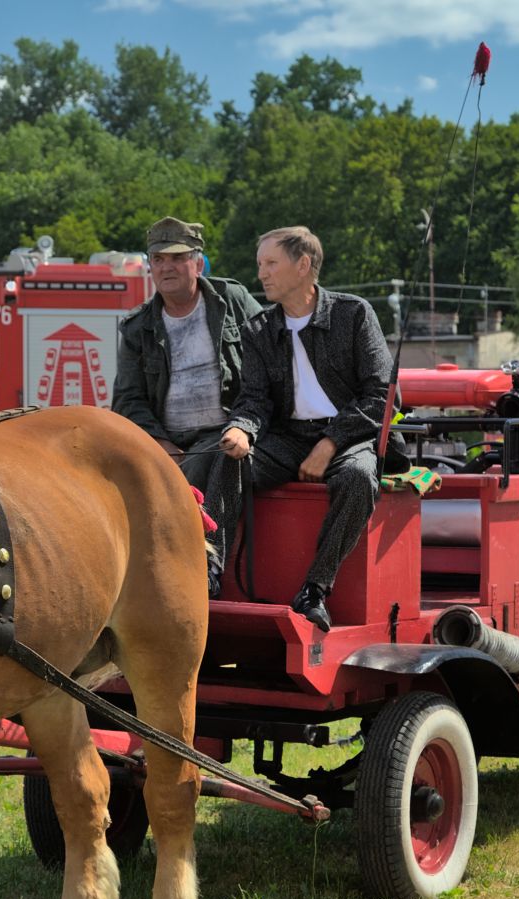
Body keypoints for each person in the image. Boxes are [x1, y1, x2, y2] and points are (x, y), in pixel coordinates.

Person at [204, 226, 398, 631]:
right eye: (260, 264)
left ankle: (315, 589)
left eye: (271, 263)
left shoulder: (354, 314)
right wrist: (241, 429)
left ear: (303, 265)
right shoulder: (258, 330)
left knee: (359, 477)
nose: (262, 273)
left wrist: (330, 443)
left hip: (348, 437)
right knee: (229, 460)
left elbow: (383, 396)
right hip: (287, 438)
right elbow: (254, 400)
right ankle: (209, 571)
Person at [113, 216, 263, 493]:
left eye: (177, 257)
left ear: (198, 264)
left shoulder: (233, 300)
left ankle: (202, 525)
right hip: (164, 440)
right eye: (158, 259)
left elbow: (274, 356)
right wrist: (160, 443)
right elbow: (127, 398)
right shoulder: (137, 327)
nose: (166, 267)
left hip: (227, 433)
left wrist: (244, 426)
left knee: (195, 474)